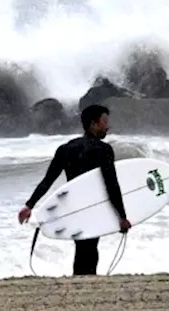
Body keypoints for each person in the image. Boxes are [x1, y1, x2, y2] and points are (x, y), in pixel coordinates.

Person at [17, 103, 131, 275]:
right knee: (91, 246)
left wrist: (29, 205)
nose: (108, 126)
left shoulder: (65, 149)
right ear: (93, 124)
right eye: (104, 121)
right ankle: (87, 279)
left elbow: (47, 181)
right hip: (93, 205)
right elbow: (111, 184)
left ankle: (79, 279)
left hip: (74, 206)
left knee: (81, 244)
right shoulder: (103, 150)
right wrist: (122, 216)